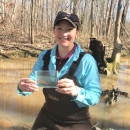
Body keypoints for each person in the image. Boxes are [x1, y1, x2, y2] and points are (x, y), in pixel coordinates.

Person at [17, 11, 102, 130]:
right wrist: (22, 87)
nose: (64, 33)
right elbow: (33, 81)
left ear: (77, 32)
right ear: (54, 31)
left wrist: (76, 91)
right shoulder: (44, 56)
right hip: (47, 116)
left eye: (69, 29)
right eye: (59, 28)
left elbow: (95, 96)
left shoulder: (87, 61)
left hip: (77, 120)